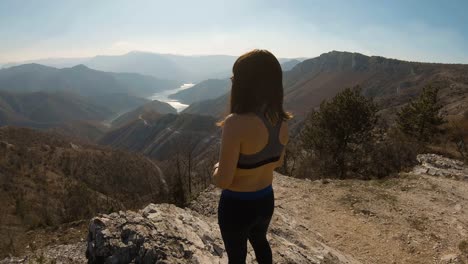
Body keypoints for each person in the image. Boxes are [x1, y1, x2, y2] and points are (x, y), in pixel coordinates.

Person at [212, 49, 292, 264]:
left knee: (236, 257)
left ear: (242, 83)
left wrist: (217, 168)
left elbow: (223, 181)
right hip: (265, 200)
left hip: (236, 206)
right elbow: (278, 162)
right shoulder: (282, 122)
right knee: (260, 241)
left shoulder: (235, 123)